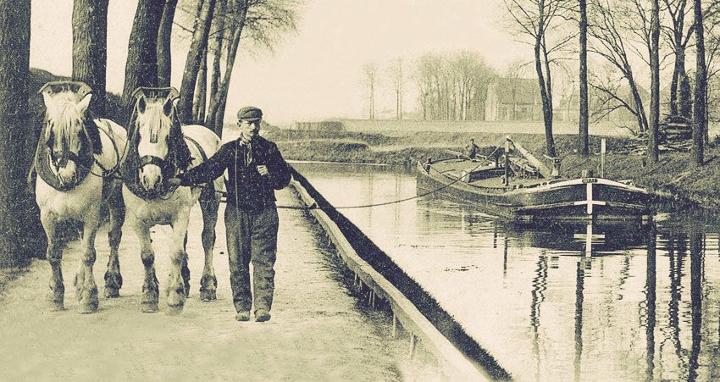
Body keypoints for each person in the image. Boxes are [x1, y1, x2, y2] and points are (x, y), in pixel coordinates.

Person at [169, 106, 291, 322]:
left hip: (265, 213)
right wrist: (182, 179)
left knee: (264, 261)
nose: (253, 127)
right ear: (239, 125)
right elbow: (209, 169)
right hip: (236, 212)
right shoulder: (229, 150)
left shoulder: (270, 149)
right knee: (237, 261)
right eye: (248, 123)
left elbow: (284, 179)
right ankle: (242, 308)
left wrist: (270, 174)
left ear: (260, 124)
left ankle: (262, 308)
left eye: (256, 122)